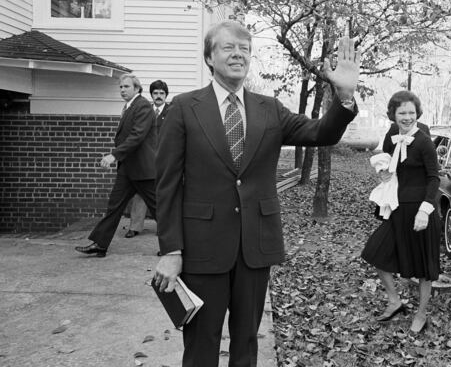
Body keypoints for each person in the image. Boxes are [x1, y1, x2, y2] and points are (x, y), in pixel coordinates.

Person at [152, 20, 360, 367]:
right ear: (209, 58)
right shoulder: (184, 108)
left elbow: (320, 132)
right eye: (227, 47)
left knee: (247, 343)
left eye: (244, 48)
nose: (238, 54)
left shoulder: (269, 109)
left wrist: (345, 97)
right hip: (203, 249)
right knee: (202, 344)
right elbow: (167, 185)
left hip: (255, 249)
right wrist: (171, 250)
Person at [361, 90, 440, 334]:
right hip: (397, 208)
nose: (407, 117)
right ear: (393, 115)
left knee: (423, 267)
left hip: (420, 211)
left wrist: (425, 211)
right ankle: (395, 301)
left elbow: (434, 179)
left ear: (417, 113)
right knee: (375, 251)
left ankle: (421, 313)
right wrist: (383, 173)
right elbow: (386, 164)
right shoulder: (392, 135)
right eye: (402, 112)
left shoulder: (424, 141)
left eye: (411, 112)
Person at [75, 74, 157, 257]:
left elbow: (137, 136)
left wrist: (114, 155)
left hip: (143, 169)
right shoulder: (129, 107)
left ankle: (176, 246)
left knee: (159, 208)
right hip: (128, 169)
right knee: (114, 206)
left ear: (137, 88)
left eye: (126, 87)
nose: (122, 90)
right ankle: (100, 244)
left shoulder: (142, 105)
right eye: (120, 87)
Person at [124, 80, 170, 239]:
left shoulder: (172, 111)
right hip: (146, 160)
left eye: (162, 93)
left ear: (166, 95)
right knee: (140, 193)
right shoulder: (144, 110)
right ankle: (135, 227)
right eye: (155, 93)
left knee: (164, 194)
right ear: (151, 95)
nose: (158, 96)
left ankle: (163, 227)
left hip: (165, 160)